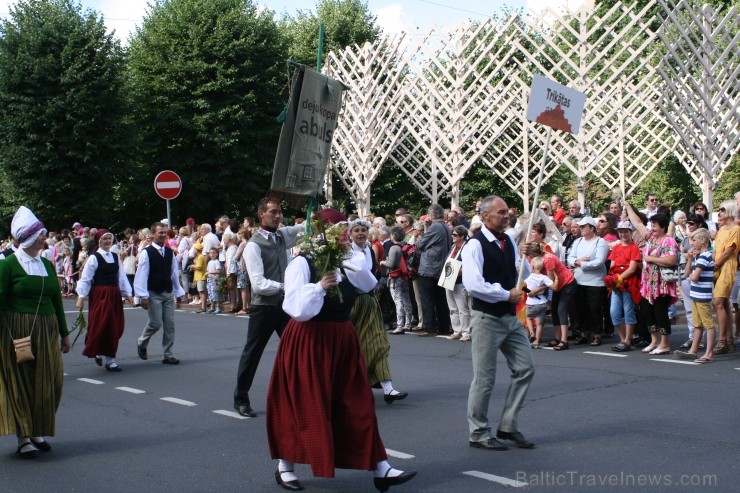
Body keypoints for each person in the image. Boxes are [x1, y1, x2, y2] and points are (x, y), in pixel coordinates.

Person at [266, 208, 416, 492]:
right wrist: (320, 286)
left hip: (342, 338)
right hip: (310, 339)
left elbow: (367, 283)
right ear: (323, 232)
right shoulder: (302, 263)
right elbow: (296, 309)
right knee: (307, 404)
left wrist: (348, 258)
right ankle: (285, 465)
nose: (346, 234)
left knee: (358, 402)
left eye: (345, 229)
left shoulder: (348, 259)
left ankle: (381, 467)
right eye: (340, 229)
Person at [462, 195, 536, 451]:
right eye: (501, 212)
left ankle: (508, 424)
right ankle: (479, 432)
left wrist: (526, 260)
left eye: (507, 213)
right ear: (485, 215)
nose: (507, 216)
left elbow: (517, 275)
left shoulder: (509, 243)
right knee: (485, 378)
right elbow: (473, 285)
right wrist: (505, 294)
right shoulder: (475, 245)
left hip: (509, 317)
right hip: (487, 318)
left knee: (525, 368)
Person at [0, 206, 70, 458]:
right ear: (28, 237)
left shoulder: (47, 265)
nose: (44, 237)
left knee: (49, 381)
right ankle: (23, 436)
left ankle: (37, 428)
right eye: (40, 234)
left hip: (46, 329)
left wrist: (64, 333)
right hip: (17, 330)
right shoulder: (8, 265)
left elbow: (56, 301)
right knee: (22, 382)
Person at [233, 198, 303, 418]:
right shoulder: (253, 245)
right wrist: (286, 285)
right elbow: (259, 284)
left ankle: (298, 397)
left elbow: (305, 228)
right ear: (261, 214)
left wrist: (322, 214)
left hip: (284, 307)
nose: (278, 215)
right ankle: (241, 398)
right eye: (273, 212)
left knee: (297, 351)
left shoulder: (281, 235)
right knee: (252, 353)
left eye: (280, 212)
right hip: (264, 307)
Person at [349, 219, 407, 404]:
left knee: (378, 343)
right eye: (356, 230)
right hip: (351, 303)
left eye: (363, 230)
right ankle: (352, 387)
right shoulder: (346, 251)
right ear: (350, 234)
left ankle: (388, 389)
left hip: (368, 301)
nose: (360, 233)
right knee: (352, 348)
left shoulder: (368, 249)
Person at [76, 230, 134, 371]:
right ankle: (98, 351)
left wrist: (129, 294)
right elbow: (86, 278)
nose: (108, 241)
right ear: (99, 242)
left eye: (109, 238)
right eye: (105, 239)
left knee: (115, 325)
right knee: (100, 323)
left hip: (113, 293)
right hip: (100, 293)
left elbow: (121, 277)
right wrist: (81, 296)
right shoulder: (94, 258)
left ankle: (110, 358)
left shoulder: (115, 257)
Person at [625, 206, 678, 355]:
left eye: (655, 225)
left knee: (660, 314)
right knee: (648, 313)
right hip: (648, 284)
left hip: (662, 284)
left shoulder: (668, 241)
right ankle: (654, 341)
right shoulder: (650, 238)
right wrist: (628, 206)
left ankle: (665, 343)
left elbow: (671, 260)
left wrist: (650, 259)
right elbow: (637, 223)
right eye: (651, 225)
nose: (652, 228)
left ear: (662, 227)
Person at [134, 222, 186, 365]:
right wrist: (143, 296)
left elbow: (174, 273)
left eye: (164, 232)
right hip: (153, 293)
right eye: (160, 232)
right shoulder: (147, 252)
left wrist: (178, 291)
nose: (163, 235)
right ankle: (142, 342)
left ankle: (168, 354)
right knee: (156, 323)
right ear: (152, 234)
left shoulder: (169, 252)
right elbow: (142, 275)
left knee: (170, 324)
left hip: (167, 292)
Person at [567, 217, 609, 346]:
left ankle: (597, 334)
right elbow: (570, 257)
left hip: (595, 282)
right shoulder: (578, 241)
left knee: (594, 309)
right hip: (579, 280)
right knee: (581, 309)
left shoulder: (600, 242)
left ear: (591, 228)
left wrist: (582, 264)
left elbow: (599, 261)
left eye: (583, 226)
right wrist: (577, 262)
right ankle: (583, 333)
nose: (581, 229)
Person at [675, 228, 715, 362]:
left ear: (702, 240)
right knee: (697, 324)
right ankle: (693, 350)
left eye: (694, 240)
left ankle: (709, 353)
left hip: (703, 296)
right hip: (696, 295)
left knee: (708, 324)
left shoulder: (705, 257)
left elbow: (694, 277)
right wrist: (690, 259)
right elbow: (687, 274)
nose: (691, 243)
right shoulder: (698, 256)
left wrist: (692, 275)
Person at [415, 204, 452, 337]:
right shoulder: (446, 227)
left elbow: (420, 244)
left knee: (427, 299)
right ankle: (443, 326)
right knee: (441, 299)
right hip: (441, 266)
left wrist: (424, 231)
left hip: (430, 267)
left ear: (431, 215)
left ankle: (430, 328)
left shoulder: (435, 227)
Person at [606, 221, 641, 352]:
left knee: (628, 311)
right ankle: (623, 339)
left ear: (630, 233)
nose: (623, 234)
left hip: (629, 283)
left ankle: (627, 340)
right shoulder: (616, 248)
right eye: (620, 231)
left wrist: (619, 278)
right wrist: (614, 279)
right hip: (617, 283)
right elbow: (612, 266)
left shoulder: (634, 248)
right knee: (614, 312)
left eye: (625, 231)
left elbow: (632, 269)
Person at [711, 200, 740, 355]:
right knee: (724, 303)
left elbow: (730, 250)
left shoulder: (736, 229)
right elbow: (716, 249)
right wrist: (713, 261)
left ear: (729, 211)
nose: (719, 214)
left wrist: (717, 263)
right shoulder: (721, 230)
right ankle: (729, 339)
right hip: (717, 266)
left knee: (718, 302)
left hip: (728, 266)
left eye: (722, 210)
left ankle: (721, 339)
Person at [381, 226, 414, 335]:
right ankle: (408, 323)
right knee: (406, 298)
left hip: (396, 276)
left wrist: (383, 262)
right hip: (405, 276)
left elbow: (391, 264)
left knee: (398, 299)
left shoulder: (393, 248)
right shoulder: (405, 246)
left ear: (393, 235)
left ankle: (400, 325)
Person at [444, 225, 472, 341]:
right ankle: (457, 330)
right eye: (453, 234)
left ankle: (466, 332)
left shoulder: (466, 248)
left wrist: (460, 271)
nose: (452, 236)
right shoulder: (453, 247)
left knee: (462, 307)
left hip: (460, 281)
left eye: (455, 235)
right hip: (449, 279)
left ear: (462, 236)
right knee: (452, 307)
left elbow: (468, 264)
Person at [523, 256, 553, 349]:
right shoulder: (544, 277)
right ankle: (536, 341)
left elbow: (522, 286)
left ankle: (532, 333)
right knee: (540, 323)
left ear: (532, 266)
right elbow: (551, 284)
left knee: (528, 318)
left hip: (531, 302)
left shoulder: (528, 277)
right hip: (542, 301)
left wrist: (529, 291)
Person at [206, 248, 223, 314]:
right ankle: (212, 307)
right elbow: (208, 271)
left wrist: (209, 272)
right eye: (211, 253)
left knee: (216, 293)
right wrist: (207, 274)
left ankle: (218, 307)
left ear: (216, 254)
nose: (212, 254)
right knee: (210, 294)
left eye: (214, 253)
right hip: (210, 280)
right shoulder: (209, 262)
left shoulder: (217, 261)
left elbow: (218, 271)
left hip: (215, 280)